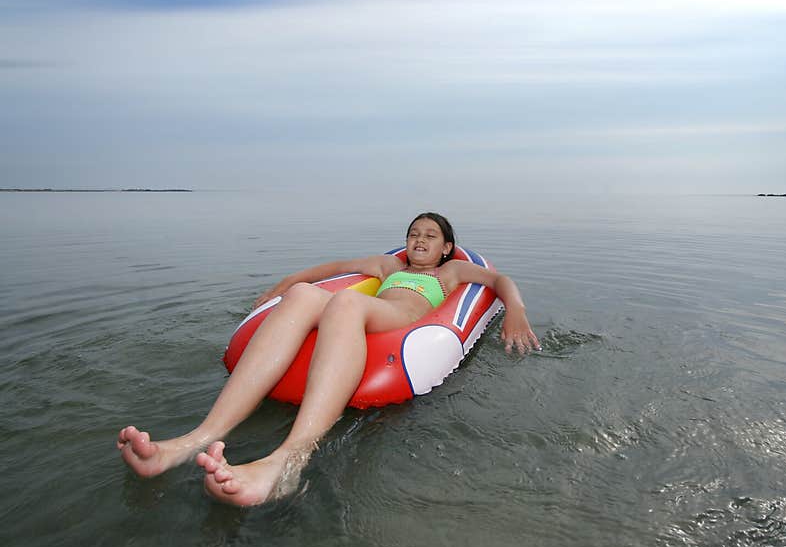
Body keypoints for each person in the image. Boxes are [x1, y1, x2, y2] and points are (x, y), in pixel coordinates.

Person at [117, 212, 541, 507]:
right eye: (414, 232)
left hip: (397, 318)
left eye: (430, 235)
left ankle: (289, 461)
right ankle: (196, 439)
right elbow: (328, 269)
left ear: (447, 247)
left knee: (345, 307)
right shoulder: (386, 264)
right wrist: (283, 286)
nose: (419, 240)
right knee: (305, 296)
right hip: (371, 310)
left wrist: (516, 312)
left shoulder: (451, 274)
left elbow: (499, 280)